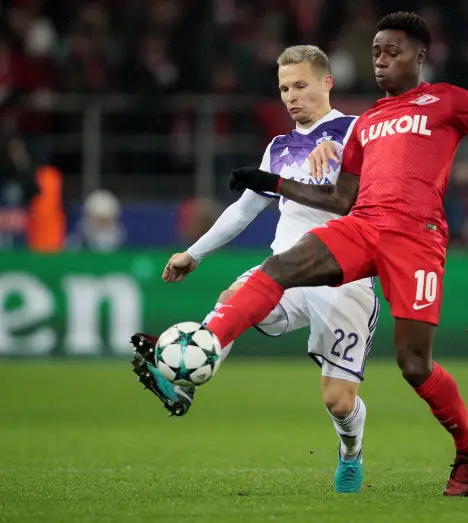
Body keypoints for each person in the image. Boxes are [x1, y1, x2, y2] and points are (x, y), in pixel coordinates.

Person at [163, 11, 468, 496]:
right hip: (362, 225)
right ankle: (202, 353)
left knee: (414, 365)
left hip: (417, 238)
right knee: (278, 268)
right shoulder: (368, 122)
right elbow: (340, 200)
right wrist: (272, 182)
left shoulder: (449, 100)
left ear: (420, 55)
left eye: (393, 52)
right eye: (375, 54)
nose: (381, 62)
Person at [131, 45, 378, 494]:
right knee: (232, 299)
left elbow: (374, 191)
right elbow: (243, 210)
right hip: (286, 269)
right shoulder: (279, 147)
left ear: (327, 83)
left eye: (301, 85)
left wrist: (340, 153)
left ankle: (350, 452)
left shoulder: (358, 132)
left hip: (344, 276)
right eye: (284, 88)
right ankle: (183, 383)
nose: (291, 97)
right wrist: (195, 252)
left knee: (338, 401)